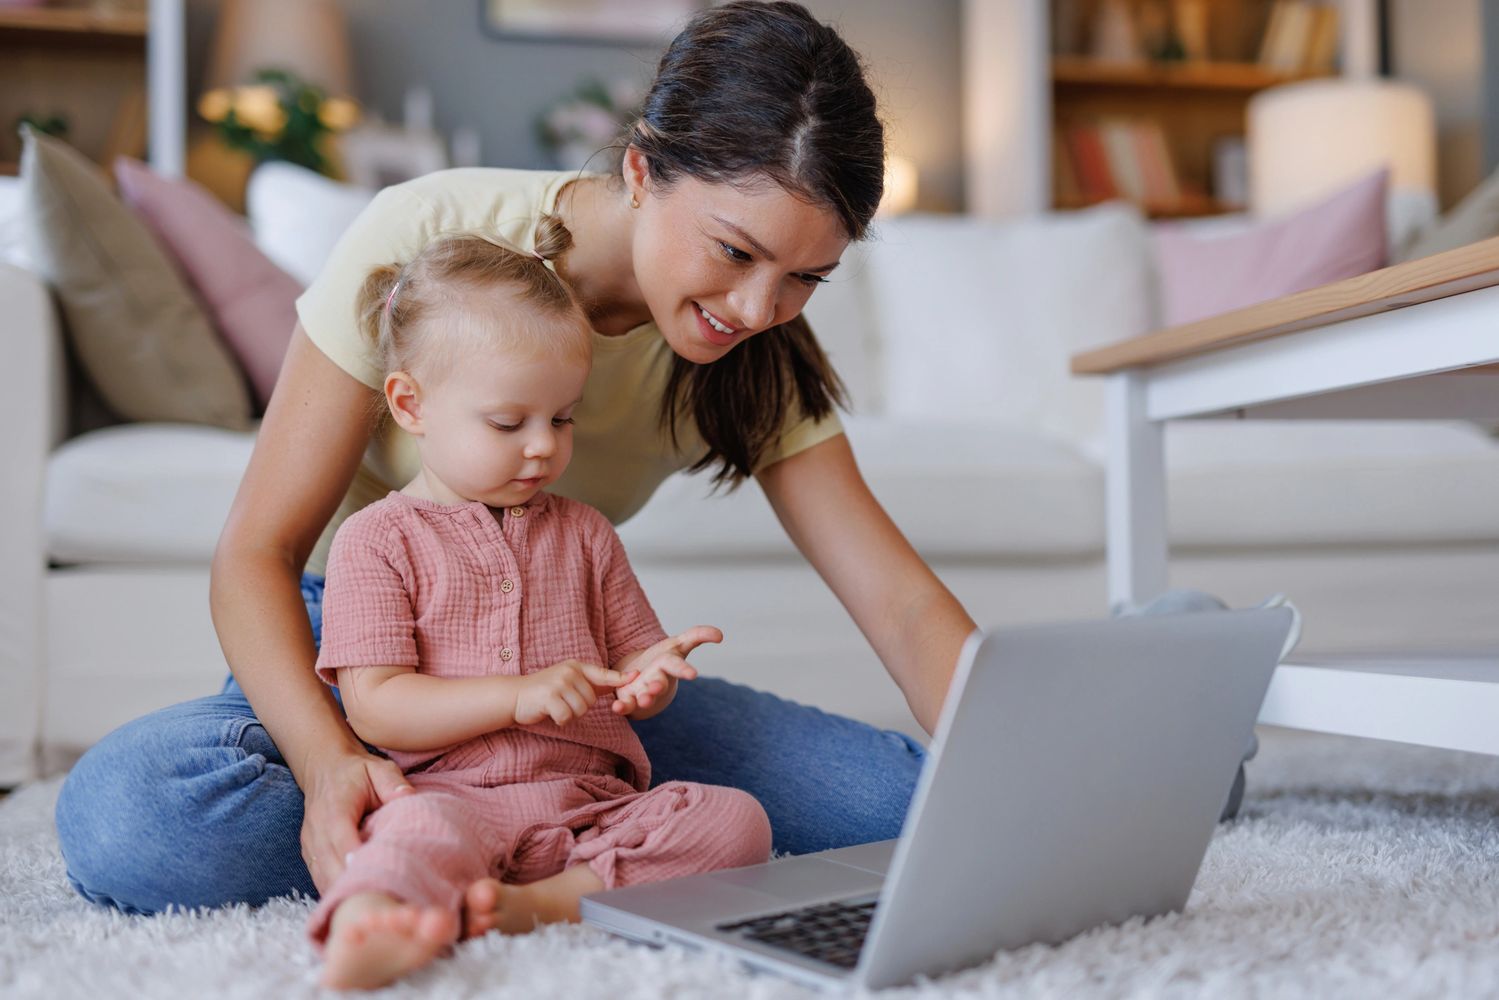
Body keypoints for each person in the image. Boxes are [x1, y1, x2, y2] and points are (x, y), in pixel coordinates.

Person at [54, 0, 976, 916]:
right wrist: (331, 765)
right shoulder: (434, 233)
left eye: (805, 278)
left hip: (572, 689)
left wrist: (1025, 764)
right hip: (374, 661)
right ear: (642, 170)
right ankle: (517, 836)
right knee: (138, 821)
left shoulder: (757, 358)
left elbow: (898, 605)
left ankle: (508, 846)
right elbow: (255, 553)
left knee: (919, 812)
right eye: (734, 251)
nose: (754, 308)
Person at [304, 233, 771, 990]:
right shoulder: (377, 539)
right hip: (451, 800)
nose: (541, 449)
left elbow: (631, 663)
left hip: (590, 807)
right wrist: (516, 695)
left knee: (735, 821)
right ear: (410, 404)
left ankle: (539, 906)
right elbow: (377, 710)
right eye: (506, 422)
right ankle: (366, 927)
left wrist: (651, 680)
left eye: (561, 419)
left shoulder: (584, 532)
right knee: (405, 835)